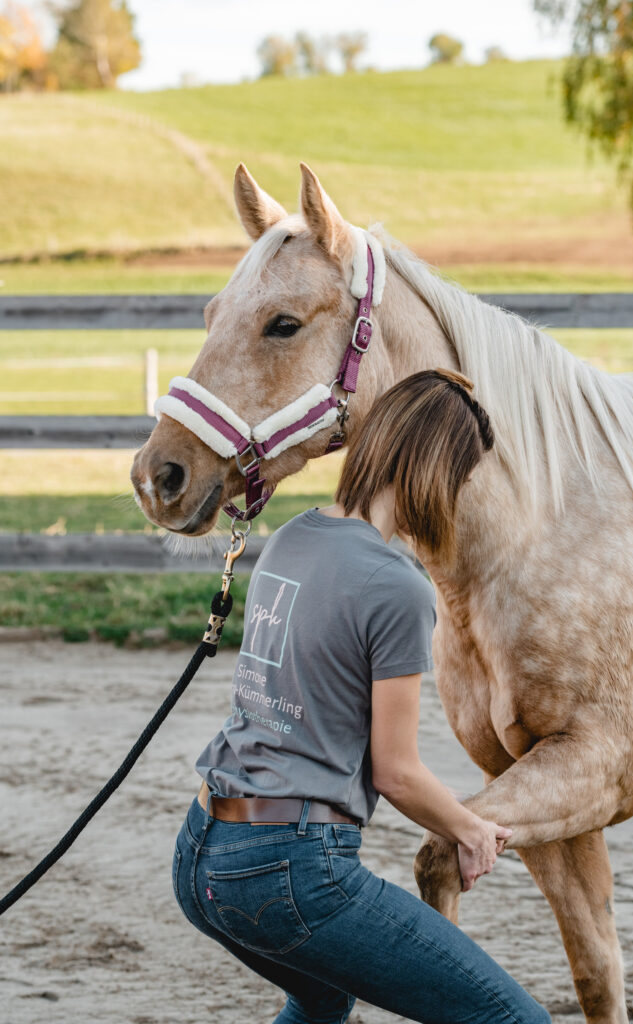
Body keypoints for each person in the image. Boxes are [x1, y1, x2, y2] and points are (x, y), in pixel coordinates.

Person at [172, 368, 551, 1024]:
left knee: (321, 1001)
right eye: (461, 477)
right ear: (435, 471)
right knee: (514, 1020)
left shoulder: (292, 537)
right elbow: (397, 773)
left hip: (200, 853)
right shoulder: (395, 586)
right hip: (287, 869)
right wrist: (470, 829)